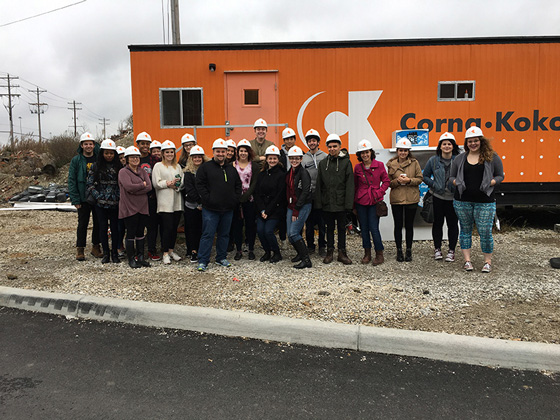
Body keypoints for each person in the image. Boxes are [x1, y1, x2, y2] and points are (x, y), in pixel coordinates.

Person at [450, 126, 504, 273]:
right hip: (462, 200)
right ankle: (467, 261)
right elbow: (451, 177)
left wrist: (491, 183)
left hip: (485, 200)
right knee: (465, 229)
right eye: (469, 141)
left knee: (485, 231)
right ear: (466, 143)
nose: (473, 143)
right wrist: (456, 182)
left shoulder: (492, 156)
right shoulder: (460, 158)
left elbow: (500, 175)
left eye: (475, 141)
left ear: (481, 141)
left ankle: (487, 261)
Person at [195, 138, 242, 271]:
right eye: (218, 151)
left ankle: (221, 257)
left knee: (224, 234)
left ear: (227, 152)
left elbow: (238, 185)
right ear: (213, 152)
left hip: (227, 209)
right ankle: (203, 260)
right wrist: (208, 199)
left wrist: (234, 199)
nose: (220, 154)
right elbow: (200, 185)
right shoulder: (205, 168)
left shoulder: (231, 169)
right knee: (208, 234)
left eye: (223, 151)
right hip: (210, 209)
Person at [315, 133, 354, 265]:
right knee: (329, 227)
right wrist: (319, 203)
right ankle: (330, 252)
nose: (332, 149)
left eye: (334, 146)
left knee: (342, 228)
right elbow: (319, 184)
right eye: (330, 147)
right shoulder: (323, 163)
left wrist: (349, 204)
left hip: (341, 202)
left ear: (340, 147)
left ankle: (342, 253)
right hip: (327, 202)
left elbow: (350, 184)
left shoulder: (346, 162)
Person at [423, 132, 460, 262]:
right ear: (440, 146)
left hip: (453, 198)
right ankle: (437, 249)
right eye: (444, 144)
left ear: (453, 146)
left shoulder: (458, 160)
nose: (446, 146)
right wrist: (434, 184)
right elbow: (425, 176)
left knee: (453, 224)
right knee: (437, 223)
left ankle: (451, 250)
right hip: (437, 198)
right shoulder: (433, 160)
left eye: (449, 144)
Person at [353, 139, 390, 266]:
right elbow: (355, 185)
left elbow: (386, 181)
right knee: (364, 229)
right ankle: (367, 253)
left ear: (371, 152)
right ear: (359, 155)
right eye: (362, 153)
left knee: (374, 228)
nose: (365, 155)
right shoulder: (357, 167)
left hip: (374, 200)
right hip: (361, 201)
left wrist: (380, 192)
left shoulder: (379, 165)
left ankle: (379, 254)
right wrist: (354, 204)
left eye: (367, 152)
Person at [86, 139, 122, 264]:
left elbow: (121, 184)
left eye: (111, 153)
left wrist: (117, 196)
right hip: (100, 203)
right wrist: (98, 196)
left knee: (115, 229)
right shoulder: (96, 166)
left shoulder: (119, 166)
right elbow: (90, 184)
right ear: (102, 153)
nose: (109, 155)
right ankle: (106, 253)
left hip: (115, 203)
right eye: (106, 153)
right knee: (102, 228)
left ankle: (115, 253)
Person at [387, 138, 423, 262]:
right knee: (398, 226)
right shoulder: (391, 164)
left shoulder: (414, 163)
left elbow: (420, 178)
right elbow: (388, 183)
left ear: (408, 151)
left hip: (411, 198)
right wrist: (397, 181)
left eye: (405, 150)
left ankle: (408, 250)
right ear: (397, 151)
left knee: (409, 226)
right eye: (401, 150)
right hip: (397, 199)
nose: (403, 153)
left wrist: (409, 181)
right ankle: (399, 251)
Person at [68, 132, 102, 261]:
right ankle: (80, 249)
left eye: (90, 144)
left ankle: (96, 247)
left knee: (98, 222)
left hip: (97, 196)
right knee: (83, 223)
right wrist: (75, 199)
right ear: (81, 145)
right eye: (86, 144)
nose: (88, 146)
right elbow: (72, 180)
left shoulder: (99, 159)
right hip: (83, 197)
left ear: (94, 145)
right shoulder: (76, 160)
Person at [118, 146, 153, 268]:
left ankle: (141, 257)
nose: (135, 159)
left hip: (142, 206)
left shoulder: (142, 171)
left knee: (141, 232)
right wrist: (141, 185)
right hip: (129, 207)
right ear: (127, 159)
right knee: (131, 233)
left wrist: (137, 187)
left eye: (137, 157)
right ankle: (131, 258)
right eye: (132, 157)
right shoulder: (123, 172)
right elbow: (128, 187)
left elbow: (149, 187)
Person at [152, 140, 184, 264]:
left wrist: (177, 185)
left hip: (176, 201)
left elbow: (182, 181)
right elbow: (156, 183)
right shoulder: (158, 166)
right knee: (167, 228)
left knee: (174, 227)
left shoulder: (178, 166)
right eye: (167, 152)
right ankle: (165, 252)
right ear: (163, 154)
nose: (170, 154)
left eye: (171, 152)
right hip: (165, 203)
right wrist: (167, 183)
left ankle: (171, 250)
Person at [254, 145, 286, 263]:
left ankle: (276, 253)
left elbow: (279, 196)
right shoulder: (262, 174)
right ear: (266, 159)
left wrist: (267, 211)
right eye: (270, 158)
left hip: (274, 210)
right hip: (262, 210)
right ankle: (267, 252)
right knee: (260, 230)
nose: (272, 161)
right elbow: (257, 193)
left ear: (278, 160)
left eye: (274, 158)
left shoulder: (281, 175)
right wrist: (262, 210)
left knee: (268, 231)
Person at [285, 146, 313, 269]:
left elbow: (305, 192)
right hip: (291, 206)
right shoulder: (290, 172)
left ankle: (306, 260)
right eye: (292, 158)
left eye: (297, 158)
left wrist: (296, 209)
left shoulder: (303, 173)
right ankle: (300, 254)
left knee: (294, 233)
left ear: (301, 159)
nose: (294, 160)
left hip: (302, 205)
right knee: (290, 234)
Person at [136, 131, 161, 261]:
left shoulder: (155, 160)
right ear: (138, 144)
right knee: (138, 226)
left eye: (147, 144)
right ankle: (138, 252)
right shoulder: (134, 159)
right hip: (138, 199)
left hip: (151, 198)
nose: (145, 146)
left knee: (152, 227)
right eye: (143, 143)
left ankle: (151, 250)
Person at [302, 129, 328, 257]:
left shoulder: (324, 156)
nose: (312, 143)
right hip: (309, 196)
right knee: (309, 223)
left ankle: (322, 246)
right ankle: (310, 246)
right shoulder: (304, 158)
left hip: (321, 195)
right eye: (309, 141)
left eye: (314, 140)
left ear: (318, 142)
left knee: (322, 222)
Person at [232, 139, 259, 261]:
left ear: (249, 152)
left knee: (250, 225)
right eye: (241, 151)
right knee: (237, 226)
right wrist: (238, 197)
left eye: (245, 151)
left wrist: (246, 196)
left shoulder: (254, 166)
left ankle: (251, 249)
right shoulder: (232, 165)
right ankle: (238, 249)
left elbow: (254, 184)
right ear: (238, 152)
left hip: (250, 200)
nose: (243, 153)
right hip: (236, 201)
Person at [183, 145, 209, 263]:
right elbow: (189, 189)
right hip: (192, 206)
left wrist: (204, 202)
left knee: (202, 229)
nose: (197, 159)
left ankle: (202, 250)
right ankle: (192, 251)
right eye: (195, 157)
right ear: (191, 159)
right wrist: (199, 201)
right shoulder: (188, 173)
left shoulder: (207, 170)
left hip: (205, 205)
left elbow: (209, 187)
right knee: (191, 229)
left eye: (199, 157)